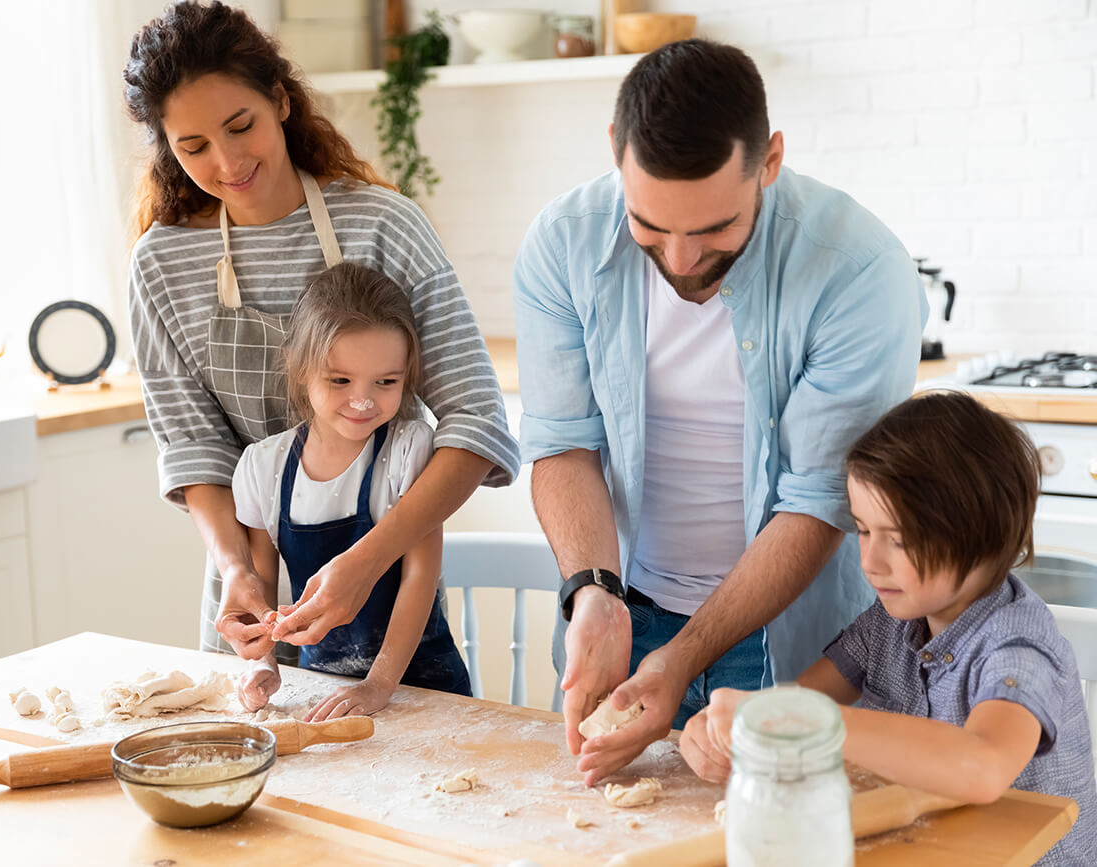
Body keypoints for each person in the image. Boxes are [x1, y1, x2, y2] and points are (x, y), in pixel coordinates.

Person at [512, 37, 926, 785]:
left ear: (768, 160)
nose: (678, 260)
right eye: (650, 226)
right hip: (623, 616)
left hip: (799, 642)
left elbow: (818, 500)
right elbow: (563, 445)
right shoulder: (562, 243)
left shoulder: (859, 270)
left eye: (711, 231)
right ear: (615, 150)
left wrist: (685, 656)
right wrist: (594, 593)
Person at [123, 0, 518, 669]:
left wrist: (368, 559)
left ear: (279, 100)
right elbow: (196, 450)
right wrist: (239, 571)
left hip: (387, 596)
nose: (226, 161)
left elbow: (476, 422)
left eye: (240, 125)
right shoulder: (160, 265)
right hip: (252, 611)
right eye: (193, 147)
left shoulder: (384, 225)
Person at [682, 391, 1097, 866]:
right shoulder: (890, 624)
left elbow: (983, 765)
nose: (869, 562)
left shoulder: (1018, 646)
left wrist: (804, 723)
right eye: (863, 529)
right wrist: (739, 731)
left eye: (898, 540)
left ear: (983, 535)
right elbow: (802, 701)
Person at [227, 262, 471, 717]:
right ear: (299, 368)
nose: (363, 400)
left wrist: (378, 686)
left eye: (386, 382)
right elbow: (261, 586)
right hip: (326, 693)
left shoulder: (408, 450)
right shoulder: (264, 468)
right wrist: (262, 662)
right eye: (340, 380)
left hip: (424, 688)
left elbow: (420, 578)